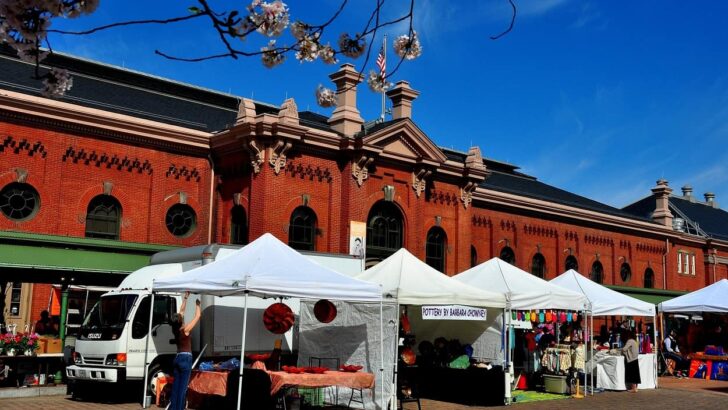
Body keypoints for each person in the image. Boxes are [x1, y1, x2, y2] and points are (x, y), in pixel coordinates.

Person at [169, 291, 201, 410]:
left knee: (176, 387)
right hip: (185, 359)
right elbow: (197, 316)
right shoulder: (186, 329)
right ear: (181, 320)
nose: (182, 315)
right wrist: (197, 304)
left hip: (177, 358)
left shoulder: (175, 329)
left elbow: (181, 311)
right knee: (182, 389)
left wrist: (186, 298)